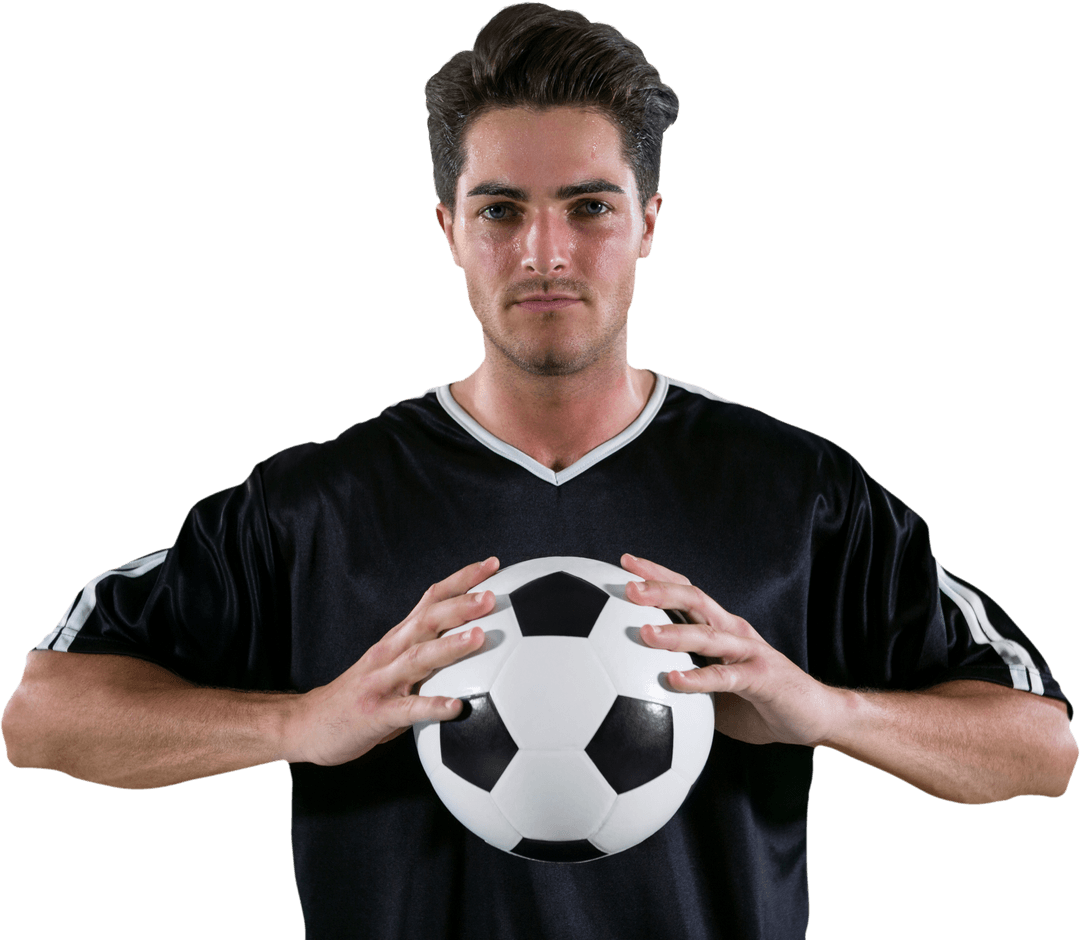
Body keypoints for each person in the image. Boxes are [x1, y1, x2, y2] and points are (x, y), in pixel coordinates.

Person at [3, 3, 1076, 938]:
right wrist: (299, 722)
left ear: (649, 224)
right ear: (449, 231)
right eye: (501, 210)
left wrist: (825, 709)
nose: (545, 253)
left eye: (590, 206)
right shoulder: (318, 504)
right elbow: (43, 714)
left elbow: (1042, 745)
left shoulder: (795, 492)